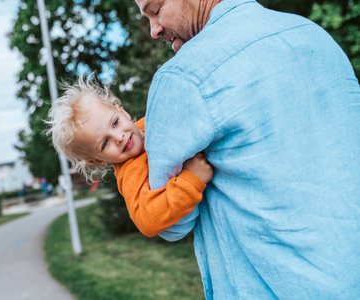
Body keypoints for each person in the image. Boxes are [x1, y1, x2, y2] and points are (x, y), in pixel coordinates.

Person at [135, 0, 360, 298]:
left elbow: (171, 221)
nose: (154, 30)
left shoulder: (182, 77)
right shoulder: (315, 36)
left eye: (156, 10)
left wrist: (123, 158)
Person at [47, 76, 213, 237]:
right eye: (105, 143)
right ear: (98, 160)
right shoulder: (130, 172)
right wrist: (191, 180)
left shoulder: (152, 122)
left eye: (115, 123)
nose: (119, 137)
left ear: (123, 112)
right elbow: (147, 221)